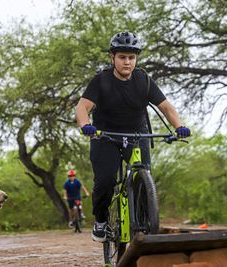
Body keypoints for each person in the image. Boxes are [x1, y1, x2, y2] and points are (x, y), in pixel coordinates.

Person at [75, 31, 191, 242]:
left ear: (136, 58)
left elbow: (166, 107)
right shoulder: (101, 80)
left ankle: (144, 224)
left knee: (143, 177)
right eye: (122, 57)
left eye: (131, 57)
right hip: (105, 136)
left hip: (137, 136)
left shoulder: (144, 80)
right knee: (106, 180)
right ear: (113, 58)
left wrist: (179, 126)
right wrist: (86, 125)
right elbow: (82, 107)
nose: (127, 62)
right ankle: (101, 221)